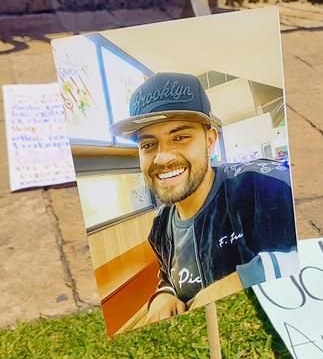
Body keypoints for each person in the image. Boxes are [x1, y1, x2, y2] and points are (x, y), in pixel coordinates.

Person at [110, 72, 298, 325]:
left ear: (209, 141)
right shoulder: (160, 226)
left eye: (180, 137)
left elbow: (316, 256)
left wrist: (238, 281)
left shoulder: (265, 186)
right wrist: (163, 297)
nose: (162, 158)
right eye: (148, 145)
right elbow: (169, 277)